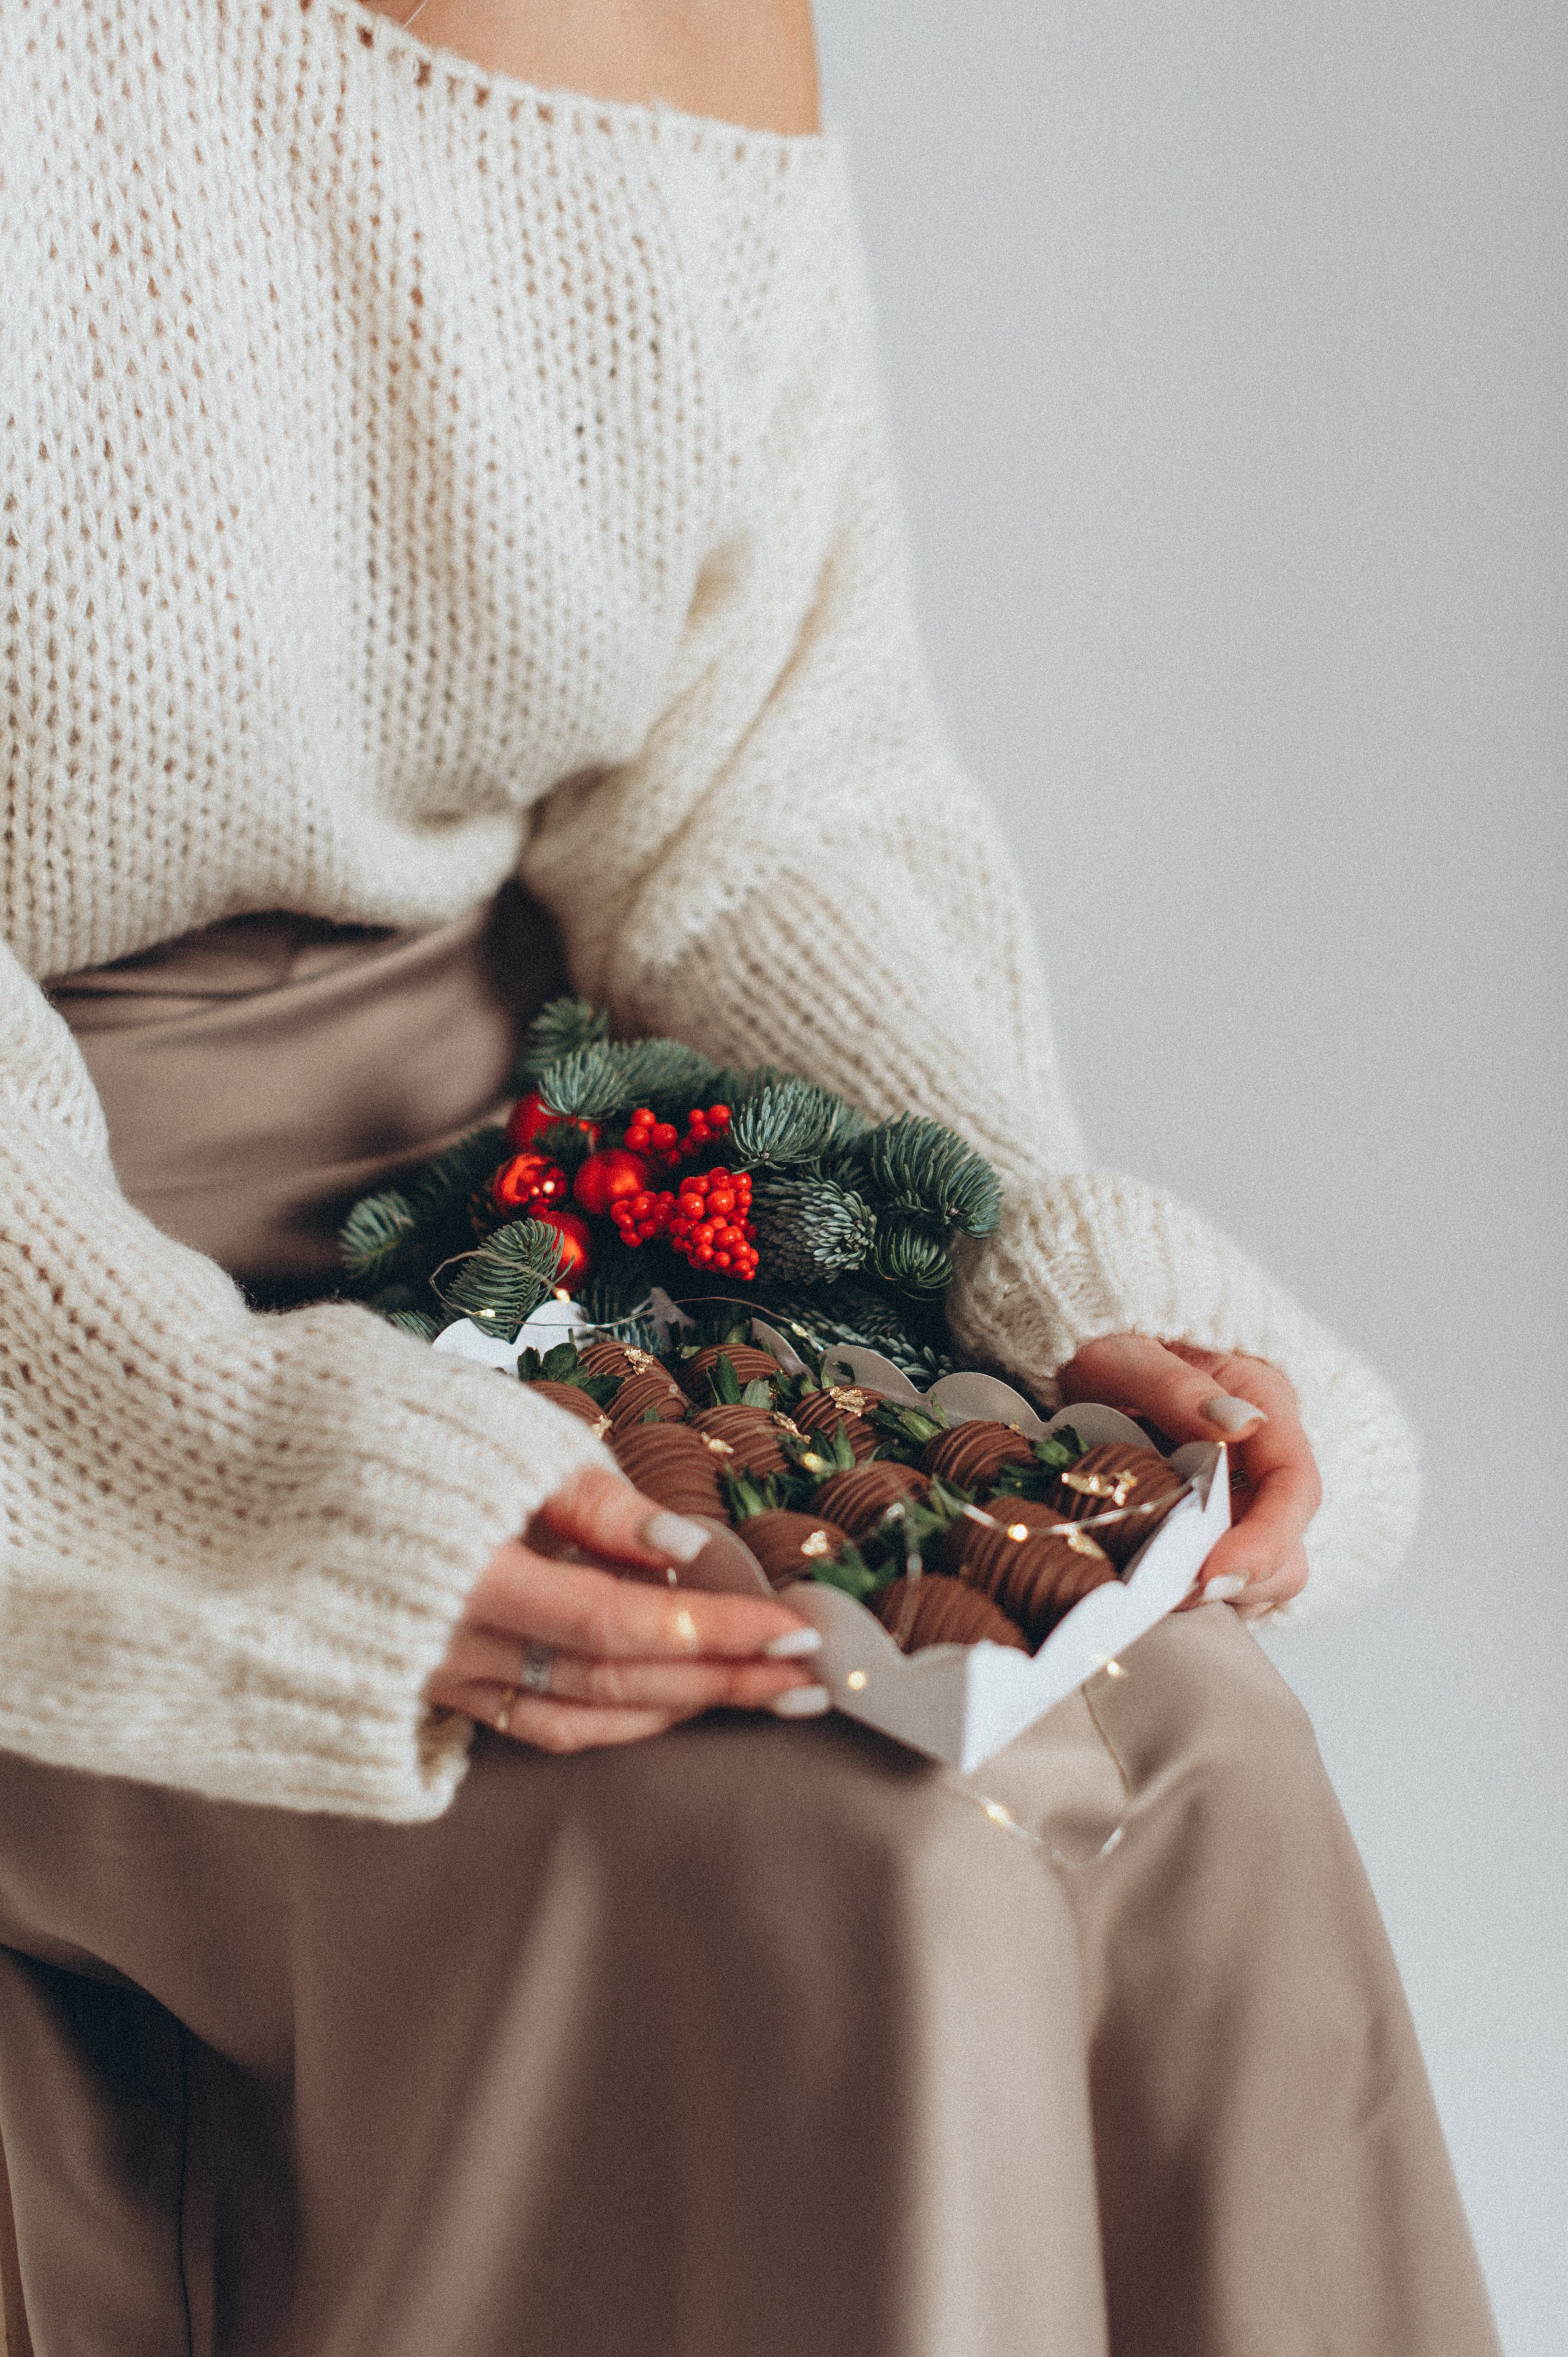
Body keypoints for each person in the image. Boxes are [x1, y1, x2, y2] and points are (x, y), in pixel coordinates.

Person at [0, 2, 1501, 2351]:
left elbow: (751, 787)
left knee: (1198, 1751)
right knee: (837, 1862)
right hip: (62, 1346)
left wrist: (1034, 1263)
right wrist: (235, 1475)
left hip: (519, 1225)